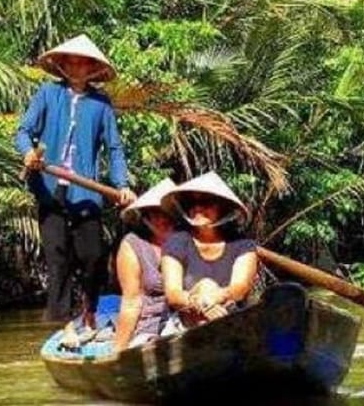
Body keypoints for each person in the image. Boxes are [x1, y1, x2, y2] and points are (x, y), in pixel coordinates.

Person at [14, 34, 137, 332]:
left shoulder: (100, 104)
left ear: (91, 68)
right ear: (64, 65)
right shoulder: (48, 94)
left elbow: (115, 148)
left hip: (85, 190)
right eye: (72, 62)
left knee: (93, 255)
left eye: (83, 63)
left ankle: (91, 310)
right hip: (49, 186)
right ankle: (61, 323)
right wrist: (29, 152)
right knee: (57, 255)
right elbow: (23, 130)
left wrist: (122, 183)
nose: (77, 68)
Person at [160, 172, 258, 327]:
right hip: (185, 323)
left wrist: (213, 298)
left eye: (206, 202)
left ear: (222, 207)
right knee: (205, 284)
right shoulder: (177, 241)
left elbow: (240, 288)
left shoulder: (242, 244)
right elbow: (173, 294)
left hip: (229, 318)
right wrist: (201, 302)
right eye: (191, 203)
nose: (197, 208)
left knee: (208, 286)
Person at [114, 177, 177, 351]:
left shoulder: (189, 239)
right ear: (146, 216)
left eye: (168, 213)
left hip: (187, 319)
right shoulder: (134, 245)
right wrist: (118, 352)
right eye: (156, 213)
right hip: (151, 326)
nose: (163, 219)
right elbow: (131, 302)